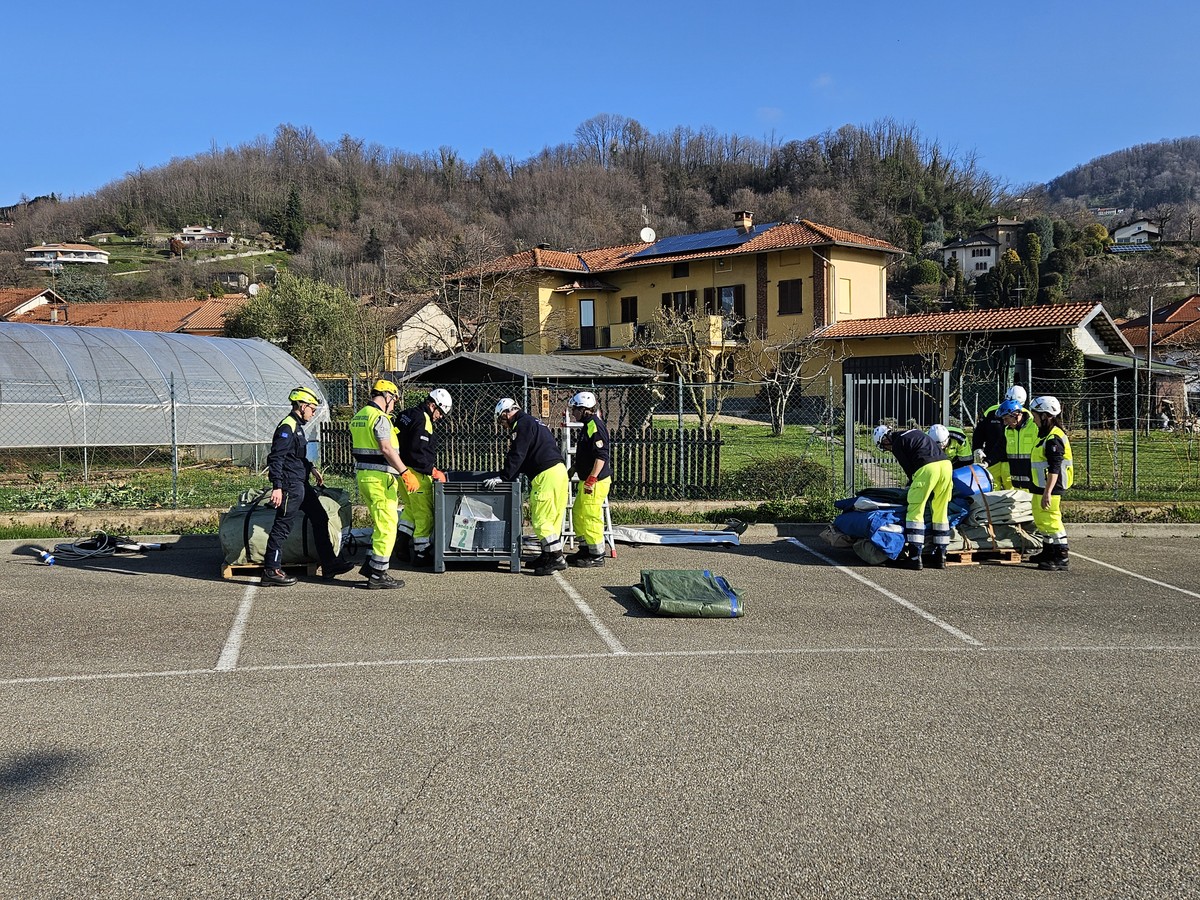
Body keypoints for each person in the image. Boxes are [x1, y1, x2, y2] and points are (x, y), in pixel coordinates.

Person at [261, 387, 354, 586]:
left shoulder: (297, 425)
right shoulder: (287, 427)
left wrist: (311, 468)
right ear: (302, 406)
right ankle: (271, 569)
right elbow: (276, 458)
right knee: (282, 525)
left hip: (301, 484)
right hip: (290, 485)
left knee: (320, 517)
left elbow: (295, 456)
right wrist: (277, 486)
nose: (313, 413)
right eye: (312, 408)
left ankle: (330, 564)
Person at [485, 398, 570, 575]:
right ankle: (547, 555)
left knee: (541, 519)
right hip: (559, 472)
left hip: (545, 474)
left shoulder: (521, 424)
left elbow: (518, 453)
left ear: (506, 413)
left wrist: (504, 476)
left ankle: (556, 557)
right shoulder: (533, 422)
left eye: (502, 420)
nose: (503, 425)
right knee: (552, 518)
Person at [349, 379, 417, 590]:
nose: (394, 405)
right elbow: (386, 449)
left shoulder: (360, 416)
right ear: (387, 396)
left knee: (380, 524)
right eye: (394, 400)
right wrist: (405, 472)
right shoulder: (380, 418)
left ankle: (371, 565)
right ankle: (378, 574)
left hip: (364, 477)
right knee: (388, 526)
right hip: (380, 480)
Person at [873, 424, 953, 570]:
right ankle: (941, 556)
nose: (887, 449)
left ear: (884, 439)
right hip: (946, 465)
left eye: (884, 447)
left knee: (915, 510)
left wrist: (911, 485)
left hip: (927, 468)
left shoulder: (897, 443)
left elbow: (909, 468)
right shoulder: (914, 432)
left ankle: (915, 557)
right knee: (941, 510)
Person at [394, 388, 453, 567]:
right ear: (432, 405)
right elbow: (417, 452)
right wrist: (434, 472)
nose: (440, 417)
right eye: (440, 412)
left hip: (401, 472)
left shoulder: (406, 414)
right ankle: (421, 553)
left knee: (410, 510)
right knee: (425, 514)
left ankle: (402, 542)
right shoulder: (423, 421)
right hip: (416, 475)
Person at [1026, 395, 1073, 571]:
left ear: (1046, 416)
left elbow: (1055, 467)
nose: (1034, 419)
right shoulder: (1044, 435)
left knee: (1052, 520)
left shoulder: (1054, 438)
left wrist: (1048, 492)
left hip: (1052, 486)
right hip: (1041, 485)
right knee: (1041, 518)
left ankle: (1061, 556)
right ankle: (1048, 551)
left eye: (1036, 415)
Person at [566, 391, 611, 568]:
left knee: (591, 515)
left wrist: (592, 478)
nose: (572, 413)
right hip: (587, 478)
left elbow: (601, 456)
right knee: (578, 512)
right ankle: (585, 548)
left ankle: (597, 554)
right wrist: (575, 468)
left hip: (596, 481)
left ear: (584, 410)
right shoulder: (587, 426)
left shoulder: (595, 426)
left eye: (575, 409)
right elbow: (587, 453)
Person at [972, 385, 1027, 489]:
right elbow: (979, 432)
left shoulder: (1027, 417)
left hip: (1012, 461)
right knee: (991, 490)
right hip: (991, 459)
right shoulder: (992, 412)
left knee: (1013, 492)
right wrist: (977, 448)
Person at [998, 398, 1039, 493]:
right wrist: (987, 461)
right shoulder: (1008, 430)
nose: (1005, 423)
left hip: (1035, 480)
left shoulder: (1034, 426)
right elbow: (1000, 447)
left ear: (1016, 415)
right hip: (1017, 482)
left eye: (1006, 418)